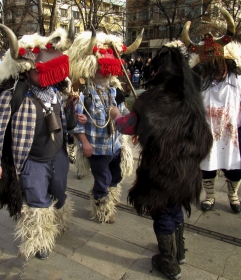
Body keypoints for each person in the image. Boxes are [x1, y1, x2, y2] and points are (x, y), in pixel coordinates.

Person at [110, 40, 213, 279]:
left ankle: (169, 263)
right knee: (176, 208)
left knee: (163, 213)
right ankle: (179, 251)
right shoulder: (193, 98)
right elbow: (204, 138)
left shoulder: (153, 99)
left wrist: (116, 115)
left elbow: (127, 126)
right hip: (187, 172)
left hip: (162, 172)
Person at [0, 22, 75, 260]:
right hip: (32, 161)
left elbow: (64, 120)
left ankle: (57, 222)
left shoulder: (55, 91)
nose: (47, 78)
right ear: (27, 70)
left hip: (58, 156)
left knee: (60, 194)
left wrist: (75, 118)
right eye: (41, 72)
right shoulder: (11, 95)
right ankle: (39, 241)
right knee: (37, 203)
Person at [67, 28, 142, 223]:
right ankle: (101, 210)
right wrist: (85, 143)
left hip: (115, 145)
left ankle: (107, 198)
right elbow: (75, 123)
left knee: (115, 177)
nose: (105, 72)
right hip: (97, 149)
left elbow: (123, 112)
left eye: (109, 69)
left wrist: (137, 122)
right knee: (102, 180)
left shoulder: (114, 90)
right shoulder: (82, 92)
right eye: (102, 68)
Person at [181, 7, 241, 213]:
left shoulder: (237, 79)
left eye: (219, 65)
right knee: (208, 165)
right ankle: (211, 196)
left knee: (234, 166)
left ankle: (233, 196)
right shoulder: (200, 82)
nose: (217, 70)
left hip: (231, 132)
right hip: (207, 133)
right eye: (212, 66)